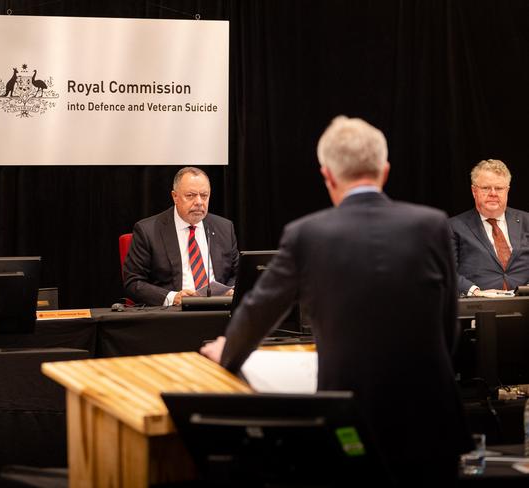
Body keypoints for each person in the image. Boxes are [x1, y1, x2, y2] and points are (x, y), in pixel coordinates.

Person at [201, 116, 472, 485]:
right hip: (430, 418)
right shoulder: (433, 224)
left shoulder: (306, 234)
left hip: (348, 418)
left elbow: (257, 310)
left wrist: (228, 352)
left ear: (327, 175)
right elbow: (447, 324)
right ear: (385, 170)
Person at [123, 167, 239, 306]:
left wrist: (231, 291)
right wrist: (172, 297)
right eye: (190, 195)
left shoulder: (224, 228)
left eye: (204, 195)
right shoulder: (148, 231)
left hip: (219, 311)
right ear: (175, 197)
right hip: (174, 315)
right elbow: (133, 282)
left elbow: (238, 273)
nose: (199, 202)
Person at [449, 159, 529, 296]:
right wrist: (477, 292)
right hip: (479, 306)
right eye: (486, 188)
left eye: (498, 188)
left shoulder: (526, 221)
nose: (493, 193)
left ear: (507, 190)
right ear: (474, 191)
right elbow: (446, 271)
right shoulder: (453, 226)